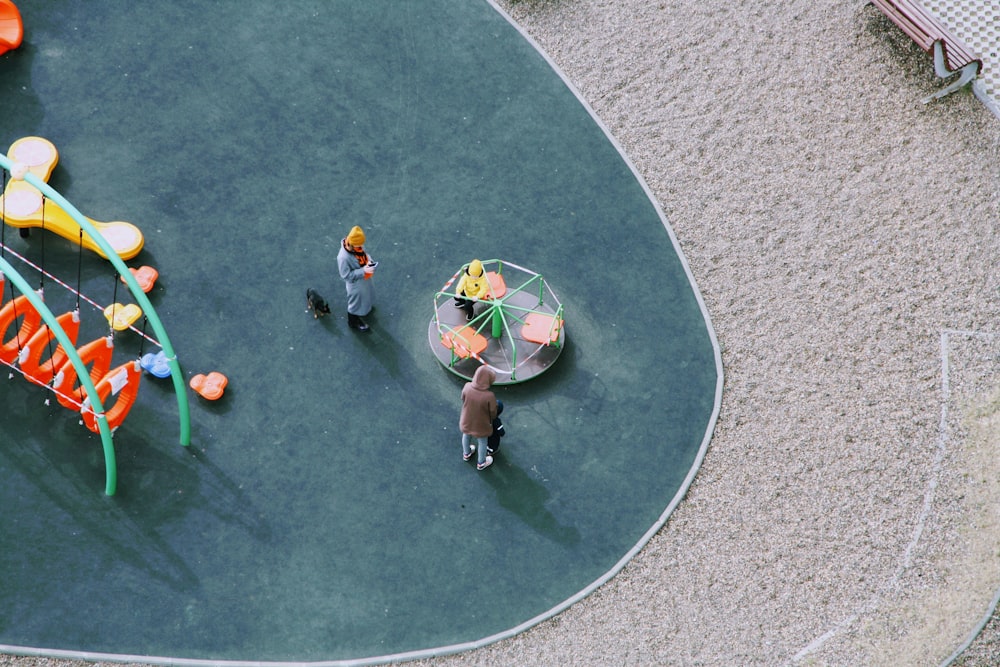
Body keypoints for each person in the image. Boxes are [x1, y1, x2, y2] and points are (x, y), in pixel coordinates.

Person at [337, 225, 376, 331]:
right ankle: (353, 322)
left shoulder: (357, 246)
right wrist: (363, 271)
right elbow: (346, 276)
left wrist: (370, 262)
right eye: (359, 245)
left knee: (367, 294)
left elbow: (365, 254)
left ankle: (366, 309)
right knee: (354, 304)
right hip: (355, 285)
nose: (362, 246)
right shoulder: (343, 257)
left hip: (364, 279)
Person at [459, 365, 497, 470]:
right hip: (481, 424)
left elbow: (463, 398)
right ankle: (481, 462)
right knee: (482, 441)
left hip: (467, 419)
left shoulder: (467, 386)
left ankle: (466, 453)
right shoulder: (489, 396)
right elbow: (493, 412)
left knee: (466, 435)